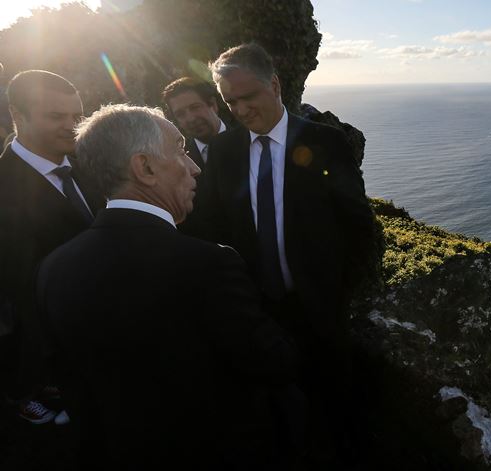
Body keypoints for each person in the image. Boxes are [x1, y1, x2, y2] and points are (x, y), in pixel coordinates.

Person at [36, 104, 300, 470]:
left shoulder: (54, 268)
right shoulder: (209, 264)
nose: (194, 167)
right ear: (144, 168)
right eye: (180, 149)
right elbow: (272, 361)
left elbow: (71, 381)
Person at [190, 42, 378, 462]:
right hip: (258, 313)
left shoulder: (327, 142)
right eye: (229, 101)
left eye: (248, 96)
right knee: (277, 418)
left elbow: (358, 225)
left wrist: (338, 293)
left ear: (274, 85)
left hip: (321, 310)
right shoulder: (223, 153)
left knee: (337, 413)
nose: (239, 110)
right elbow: (212, 229)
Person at [0, 70, 103, 424]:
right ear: (18, 116)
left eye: (77, 116)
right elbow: (18, 288)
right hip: (55, 342)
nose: (72, 126)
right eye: (56, 117)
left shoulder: (88, 163)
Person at [161, 77, 229, 172]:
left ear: (213, 105)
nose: (190, 119)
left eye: (195, 107)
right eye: (180, 114)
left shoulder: (250, 138)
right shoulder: (180, 159)